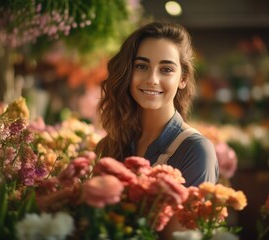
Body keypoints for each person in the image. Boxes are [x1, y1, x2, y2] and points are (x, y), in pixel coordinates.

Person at [95, 20, 219, 240]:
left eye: (166, 69)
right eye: (141, 66)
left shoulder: (196, 150)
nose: (152, 79)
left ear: (182, 79)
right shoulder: (111, 144)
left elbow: (185, 236)